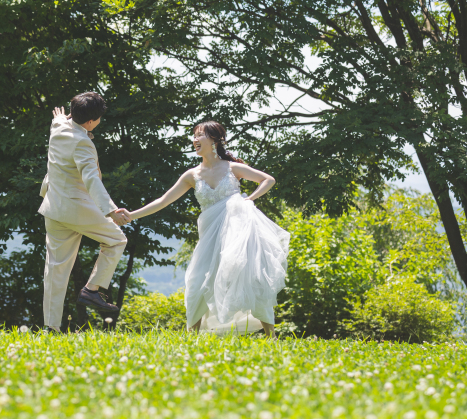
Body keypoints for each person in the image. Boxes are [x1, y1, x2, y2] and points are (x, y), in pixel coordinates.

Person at [128, 121, 290, 337]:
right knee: (197, 281)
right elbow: (163, 201)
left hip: (238, 233)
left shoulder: (232, 168)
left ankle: (271, 337)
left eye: (200, 135)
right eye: (194, 135)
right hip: (209, 235)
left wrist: (247, 200)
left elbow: (268, 180)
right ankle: (190, 337)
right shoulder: (191, 175)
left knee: (252, 279)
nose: (195, 140)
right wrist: (131, 215)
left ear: (215, 140)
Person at [38, 92, 132, 332]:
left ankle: (51, 327)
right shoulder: (83, 142)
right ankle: (92, 290)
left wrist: (61, 117)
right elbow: (91, 179)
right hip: (76, 207)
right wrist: (110, 211)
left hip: (53, 207)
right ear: (91, 122)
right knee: (117, 240)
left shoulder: (58, 127)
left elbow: (58, 119)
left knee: (55, 268)